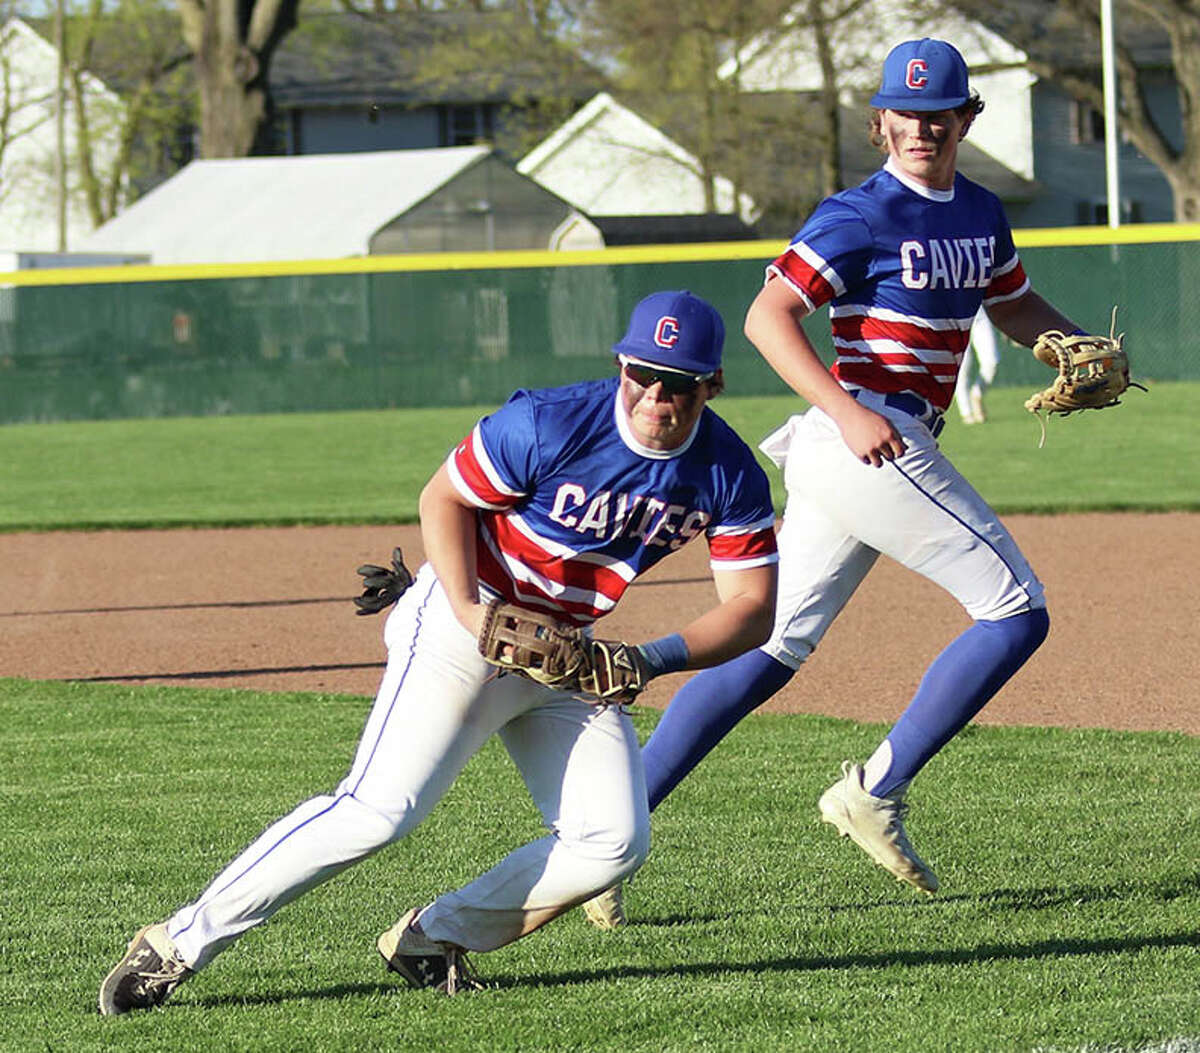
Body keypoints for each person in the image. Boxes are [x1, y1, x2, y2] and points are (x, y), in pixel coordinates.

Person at [97, 289, 779, 1014]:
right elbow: (443, 499)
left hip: (565, 658)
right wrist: (466, 608)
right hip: (465, 623)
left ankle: (431, 935)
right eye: (642, 372)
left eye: (677, 382)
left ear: (711, 384)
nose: (655, 394)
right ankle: (175, 942)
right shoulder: (550, 422)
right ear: (620, 363)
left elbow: (752, 607)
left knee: (613, 840)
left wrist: (647, 659)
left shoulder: (728, 470)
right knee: (378, 810)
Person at [582, 39, 1090, 928]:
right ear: (881, 120)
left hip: (870, 443)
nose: (922, 126)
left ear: (967, 118)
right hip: (868, 433)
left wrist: (1070, 341)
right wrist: (850, 411)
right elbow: (767, 314)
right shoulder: (859, 212)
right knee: (1017, 609)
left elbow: (1009, 303)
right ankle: (875, 789)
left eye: (940, 112)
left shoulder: (980, 211)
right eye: (906, 110)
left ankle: (603, 839)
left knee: (765, 649)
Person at [954, 307, 1001, 424]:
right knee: (962, 368)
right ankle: (967, 412)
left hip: (979, 313)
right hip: (954, 316)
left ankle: (977, 393)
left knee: (992, 361)